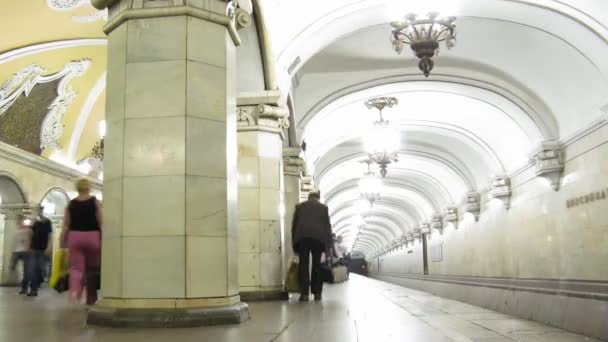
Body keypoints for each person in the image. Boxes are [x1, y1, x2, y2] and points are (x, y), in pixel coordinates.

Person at [61, 178, 102, 305]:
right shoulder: (96, 202)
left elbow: (66, 226)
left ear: (77, 188)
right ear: (89, 188)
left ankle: (75, 291)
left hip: (75, 237)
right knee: (92, 269)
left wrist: (62, 242)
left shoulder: (70, 204)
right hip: (92, 237)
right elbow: (101, 223)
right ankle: (91, 299)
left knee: (76, 268)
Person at [292, 191, 332, 302]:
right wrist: (328, 246)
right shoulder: (323, 208)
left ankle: (304, 294)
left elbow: (294, 226)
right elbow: (327, 227)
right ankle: (317, 293)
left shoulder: (300, 207)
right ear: (317, 198)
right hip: (318, 239)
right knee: (317, 266)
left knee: (303, 265)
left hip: (303, 238)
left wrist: (294, 245)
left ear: (308, 198)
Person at [25, 208, 53, 297]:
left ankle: (39, 282)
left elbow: (50, 235)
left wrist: (49, 247)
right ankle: (33, 289)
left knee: (41, 269)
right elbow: (30, 234)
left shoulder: (47, 222)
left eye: (39, 211)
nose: (38, 213)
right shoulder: (34, 223)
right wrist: (29, 245)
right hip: (34, 248)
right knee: (33, 269)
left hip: (43, 248)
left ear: (42, 211)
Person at [11, 215, 31, 294]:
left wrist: (29, 247)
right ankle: (18, 282)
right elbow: (14, 242)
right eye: (17, 220)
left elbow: (30, 239)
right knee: (12, 266)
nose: (18, 222)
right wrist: (13, 251)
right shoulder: (16, 230)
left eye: (20, 220)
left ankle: (24, 288)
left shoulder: (27, 230)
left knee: (26, 271)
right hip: (16, 251)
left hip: (25, 251)